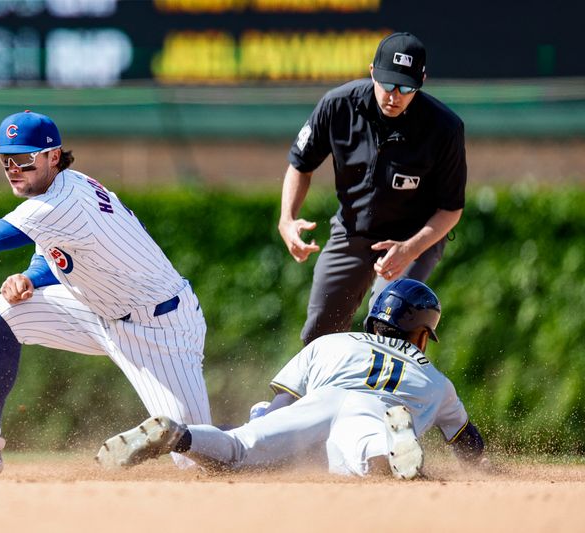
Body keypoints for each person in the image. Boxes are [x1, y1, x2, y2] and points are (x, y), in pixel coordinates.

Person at [0, 110, 212, 475]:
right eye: (6, 160)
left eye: (23, 158)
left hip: (160, 329)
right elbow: (54, 249)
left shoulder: (59, 204)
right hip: (100, 311)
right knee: (4, 310)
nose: (13, 168)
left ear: (53, 156)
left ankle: (263, 429)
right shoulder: (66, 185)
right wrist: (32, 278)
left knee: (199, 459)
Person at [96, 280, 487, 479]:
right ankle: (391, 446)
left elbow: (280, 407)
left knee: (240, 448)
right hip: (377, 414)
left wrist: (264, 422)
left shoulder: (332, 343)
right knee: (365, 459)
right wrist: (479, 467)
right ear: (421, 333)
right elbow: (468, 442)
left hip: (323, 400)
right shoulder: (437, 381)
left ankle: (180, 436)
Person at [278, 32, 467, 345]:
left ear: (421, 81)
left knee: (388, 324)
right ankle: (304, 396)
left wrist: (410, 249)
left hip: (414, 238)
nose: (394, 95)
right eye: (388, 83)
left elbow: (451, 209)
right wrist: (287, 218)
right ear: (371, 72)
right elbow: (301, 164)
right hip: (354, 229)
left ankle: (384, 394)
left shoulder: (445, 128)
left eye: (406, 87)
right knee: (319, 334)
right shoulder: (337, 105)